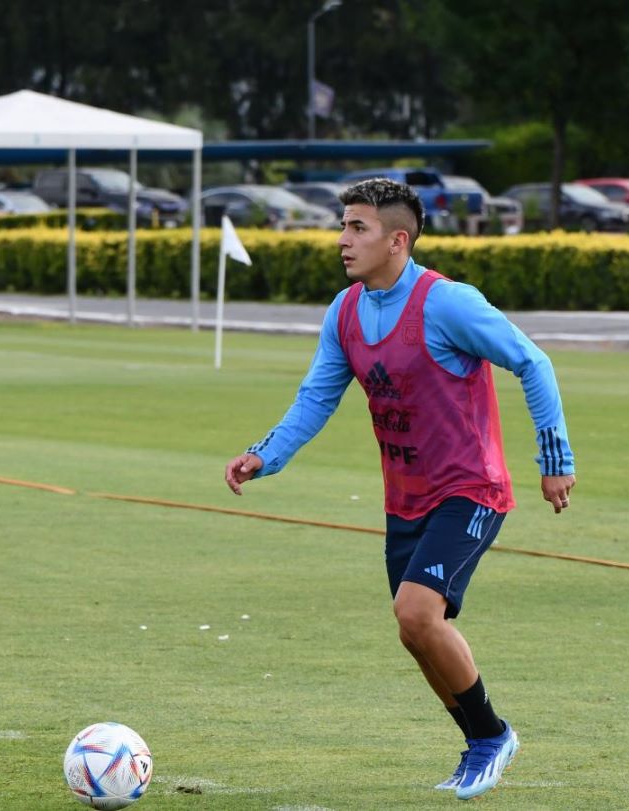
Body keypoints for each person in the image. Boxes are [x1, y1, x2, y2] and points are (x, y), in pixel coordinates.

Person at [224, 178, 576, 799]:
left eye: (357, 227)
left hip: (470, 488)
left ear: (398, 240)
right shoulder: (345, 311)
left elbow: (533, 362)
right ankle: (480, 741)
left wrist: (555, 457)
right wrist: (265, 454)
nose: (342, 239)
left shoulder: (449, 303)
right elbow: (316, 398)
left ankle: (494, 737)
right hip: (405, 498)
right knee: (415, 632)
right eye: (343, 225)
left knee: (416, 611)